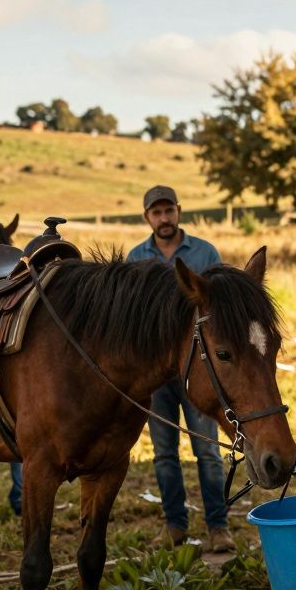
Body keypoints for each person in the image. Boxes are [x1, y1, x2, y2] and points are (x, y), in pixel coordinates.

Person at [127, 185, 236, 553]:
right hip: (156, 374)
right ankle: (174, 524)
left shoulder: (205, 252)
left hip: (197, 370)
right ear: (147, 217)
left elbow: (220, 307)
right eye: (156, 213)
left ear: (178, 210)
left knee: (206, 450)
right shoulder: (135, 258)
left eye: (168, 210)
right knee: (164, 453)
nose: (164, 218)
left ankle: (218, 527)